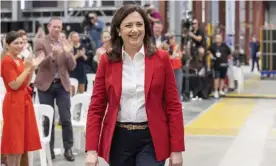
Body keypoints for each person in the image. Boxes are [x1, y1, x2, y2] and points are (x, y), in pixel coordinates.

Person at [85, 5, 185, 166]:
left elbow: (173, 105)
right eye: (128, 25)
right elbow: (96, 107)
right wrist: (91, 150)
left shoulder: (162, 58)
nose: (135, 30)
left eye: (139, 24)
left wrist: (177, 149)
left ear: (146, 28)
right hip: (118, 140)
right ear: (118, 30)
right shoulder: (107, 61)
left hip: (152, 139)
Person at [34, 17, 76, 161]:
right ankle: (49, 150)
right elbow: (39, 64)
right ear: (48, 27)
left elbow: (71, 67)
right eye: (55, 27)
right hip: (45, 85)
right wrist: (52, 55)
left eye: (59, 27)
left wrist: (69, 53)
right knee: (47, 119)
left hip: (62, 84)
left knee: (66, 118)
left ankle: (68, 148)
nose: (57, 29)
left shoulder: (65, 43)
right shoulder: (40, 42)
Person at [1, 31, 43, 166]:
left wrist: (31, 69)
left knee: (20, 142)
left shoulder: (19, 60)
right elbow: (14, 85)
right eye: (16, 43)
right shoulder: (7, 61)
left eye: (21, 43)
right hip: (14, 102)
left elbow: (25, 82)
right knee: (14, 141)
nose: (20, 46)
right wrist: (27, 68)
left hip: (23, 101)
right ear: (8, 45)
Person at [209, 33, 232, 98]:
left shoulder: (225, 46)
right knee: (216, 77)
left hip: (224, 64)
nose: (218, 39)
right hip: (216, 64)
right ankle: (216, 91)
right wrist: (211, 56)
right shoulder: (213, 46)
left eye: (220, 38)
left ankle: (221, 90)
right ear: (215, 39)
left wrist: (228, 61)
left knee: (222, 77)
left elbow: (229, 53)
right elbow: (209, 51)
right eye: (217, 38)